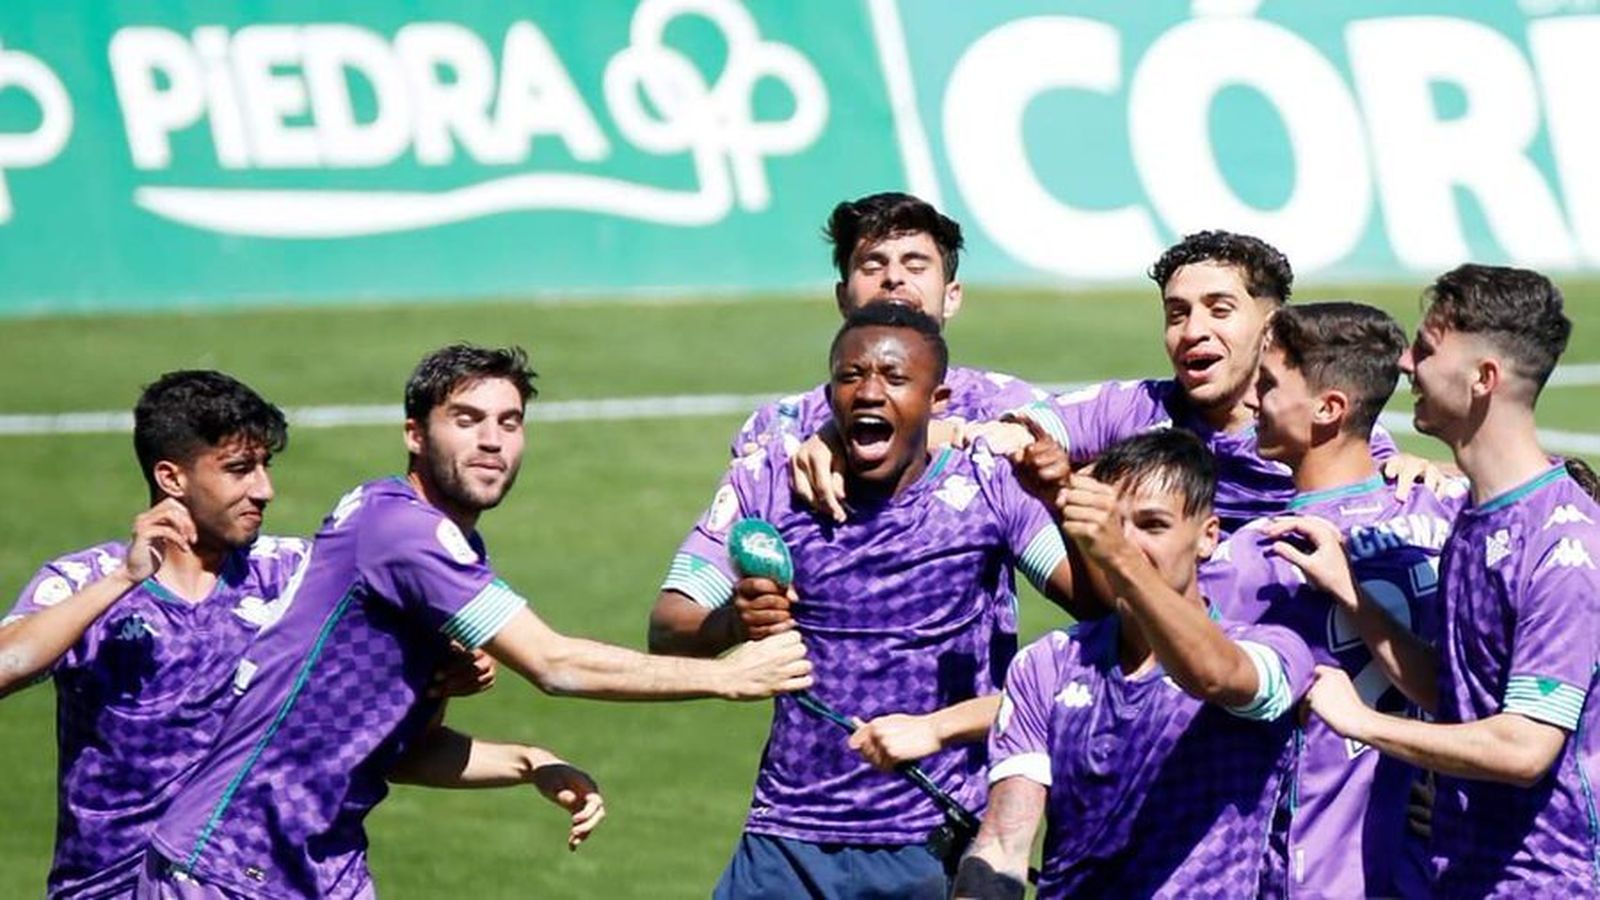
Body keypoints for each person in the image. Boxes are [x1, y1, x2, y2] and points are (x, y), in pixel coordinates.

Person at [139, 346, 812, 899]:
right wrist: (726, 677)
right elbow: (554, 663)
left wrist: (527, 762)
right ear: (415, 433)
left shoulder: (432, 540)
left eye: (510, 422)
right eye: (466, 419)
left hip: (321, 867)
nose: (492, 441)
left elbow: (396, 749)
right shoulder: (398, 529)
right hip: (229, 864)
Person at [0, 371, 585, 899]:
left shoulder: (292, 575)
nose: (264, 491)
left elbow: (373, 744)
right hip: (111, 886)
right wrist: (126, 579)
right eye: (238, 470)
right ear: (171, 477)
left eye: (264, 467)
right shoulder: (84, 581)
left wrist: (438, 680)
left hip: (259, 877)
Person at [650, 304, 1080, 898]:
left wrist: (1074, 504)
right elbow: (669, 627)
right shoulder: (770, 481)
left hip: (928, 840)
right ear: (830, 395)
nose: (870, 392)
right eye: (851, 377)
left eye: (894, 378)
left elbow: (1103, 617)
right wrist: (735, 622)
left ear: (938, 402)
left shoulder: (987, 486)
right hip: (783, 839)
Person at [1292, 265, 1600, 896]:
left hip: (1545, 881)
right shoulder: (1476, 517)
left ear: (1484, 379)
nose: (1406, 363)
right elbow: (1454, 692)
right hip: (1464, 871)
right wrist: (1352, 592)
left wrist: (1364, 724)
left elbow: (1523, 748)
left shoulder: (1564, 546)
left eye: (1428, 350)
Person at [954, 429, 1315, 898]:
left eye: (1153, 525)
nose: (1123, 542)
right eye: (1113, 524)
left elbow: (1213, 676)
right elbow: (1003, 844)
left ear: (1208, 537)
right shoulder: (1047, 664)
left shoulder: (1275, 650)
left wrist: (1120, 557)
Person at [1198, 302, 1464, 897]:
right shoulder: (1454, 511)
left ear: (1329, 408)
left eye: (1267, 385)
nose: (1250, 402)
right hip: (1448, 859)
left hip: (1319, 868)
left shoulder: (1258, 557)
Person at [734, 191, 1048, 519]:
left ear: (951, 296)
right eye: (872, 264)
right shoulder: (781, 426)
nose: (894, 278)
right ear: (843, 298)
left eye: (915, 265)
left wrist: (1022, 435)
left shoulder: (1002, 404)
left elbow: (1097, 431)